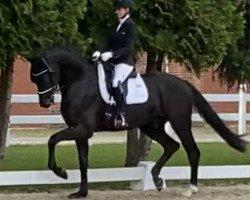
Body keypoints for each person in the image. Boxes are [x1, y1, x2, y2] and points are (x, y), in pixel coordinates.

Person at [92, 0, 136, 128]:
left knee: (115, 82)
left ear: (126, 10)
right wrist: (99, 52)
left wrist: (112, 54)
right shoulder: (117, 26)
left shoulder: (131, 26)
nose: (117, 11)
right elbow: (108, 43)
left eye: (120, 9)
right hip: (113, 63)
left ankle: (121, 114)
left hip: (124, 63)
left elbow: (129, 48)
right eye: (117, 9)